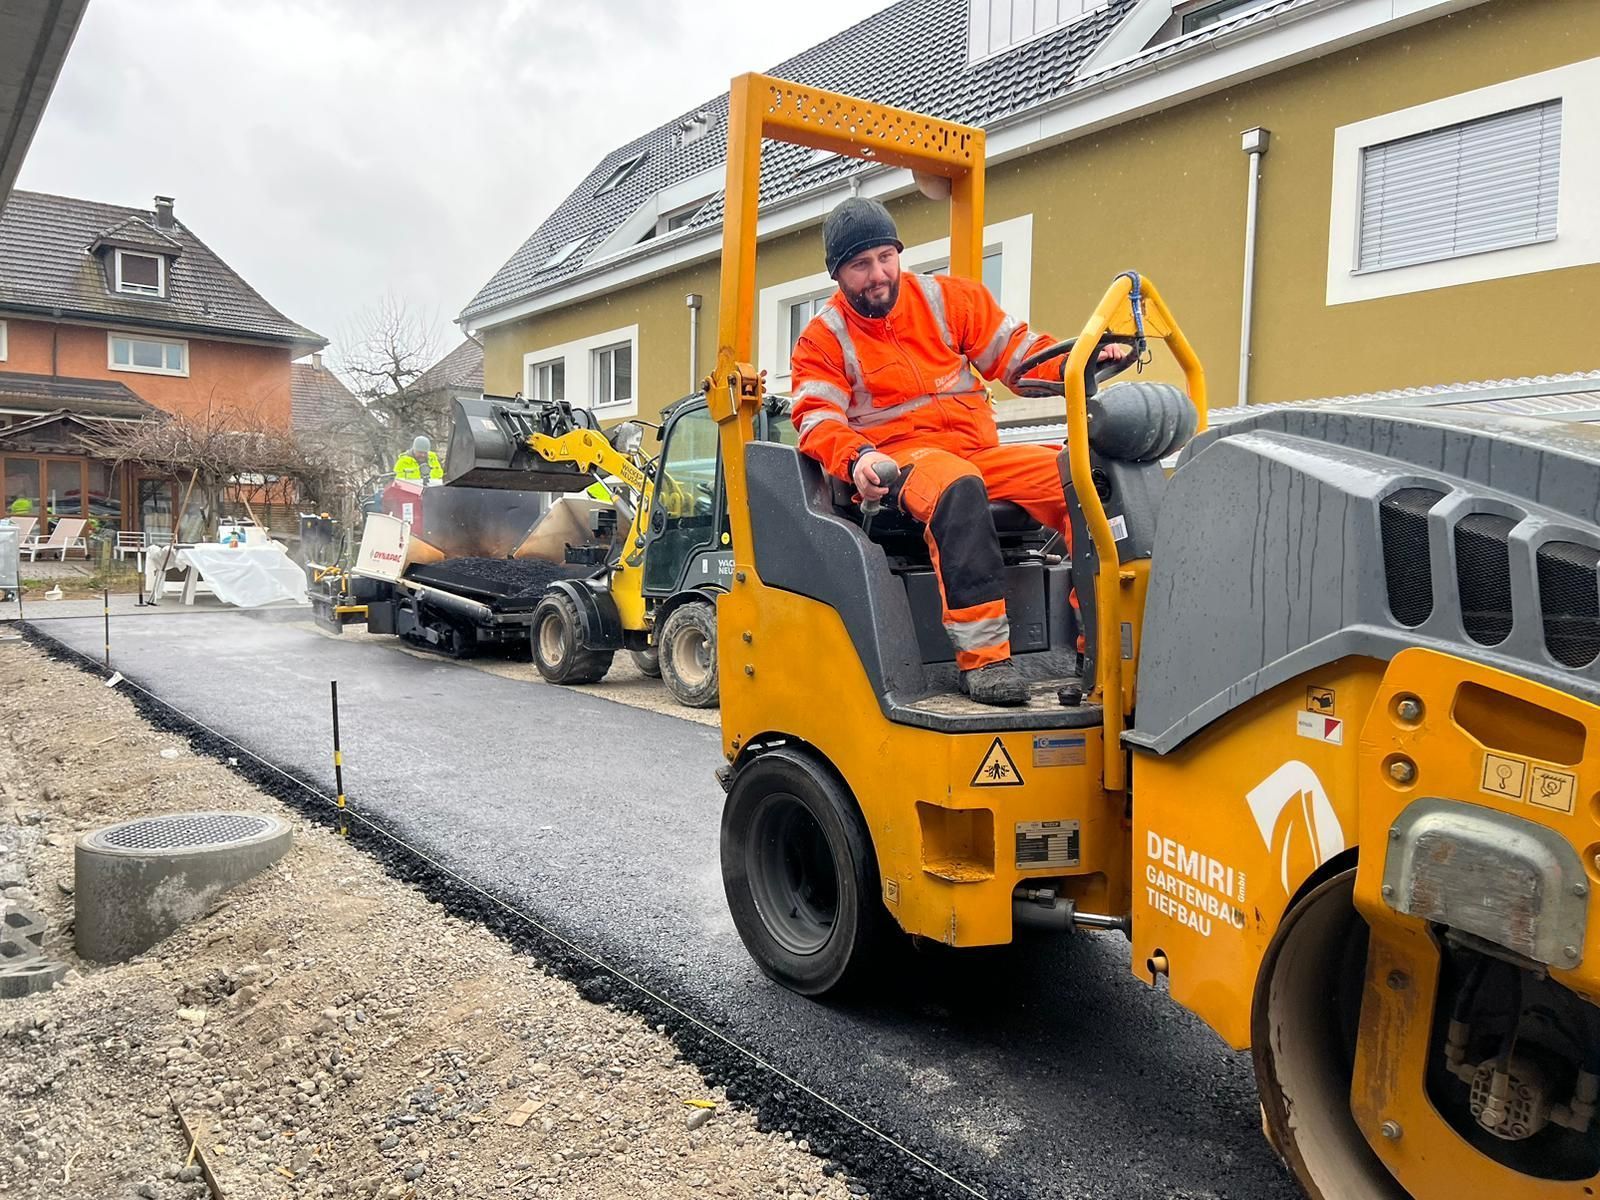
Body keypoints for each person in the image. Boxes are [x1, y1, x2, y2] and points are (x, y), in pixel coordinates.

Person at [789, 197, 1129, 707]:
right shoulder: (823, 339)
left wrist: (1078, 362)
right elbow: (817, 418)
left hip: (977, 450)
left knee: (1089, 479)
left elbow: (1018, 356)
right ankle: (987, 662)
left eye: (885, 257)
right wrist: (857, 458)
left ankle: (1104, 647)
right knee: (957, 487)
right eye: (861, 265)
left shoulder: (950, 300)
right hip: (903, 460)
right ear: (836, 274)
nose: (878, 274)